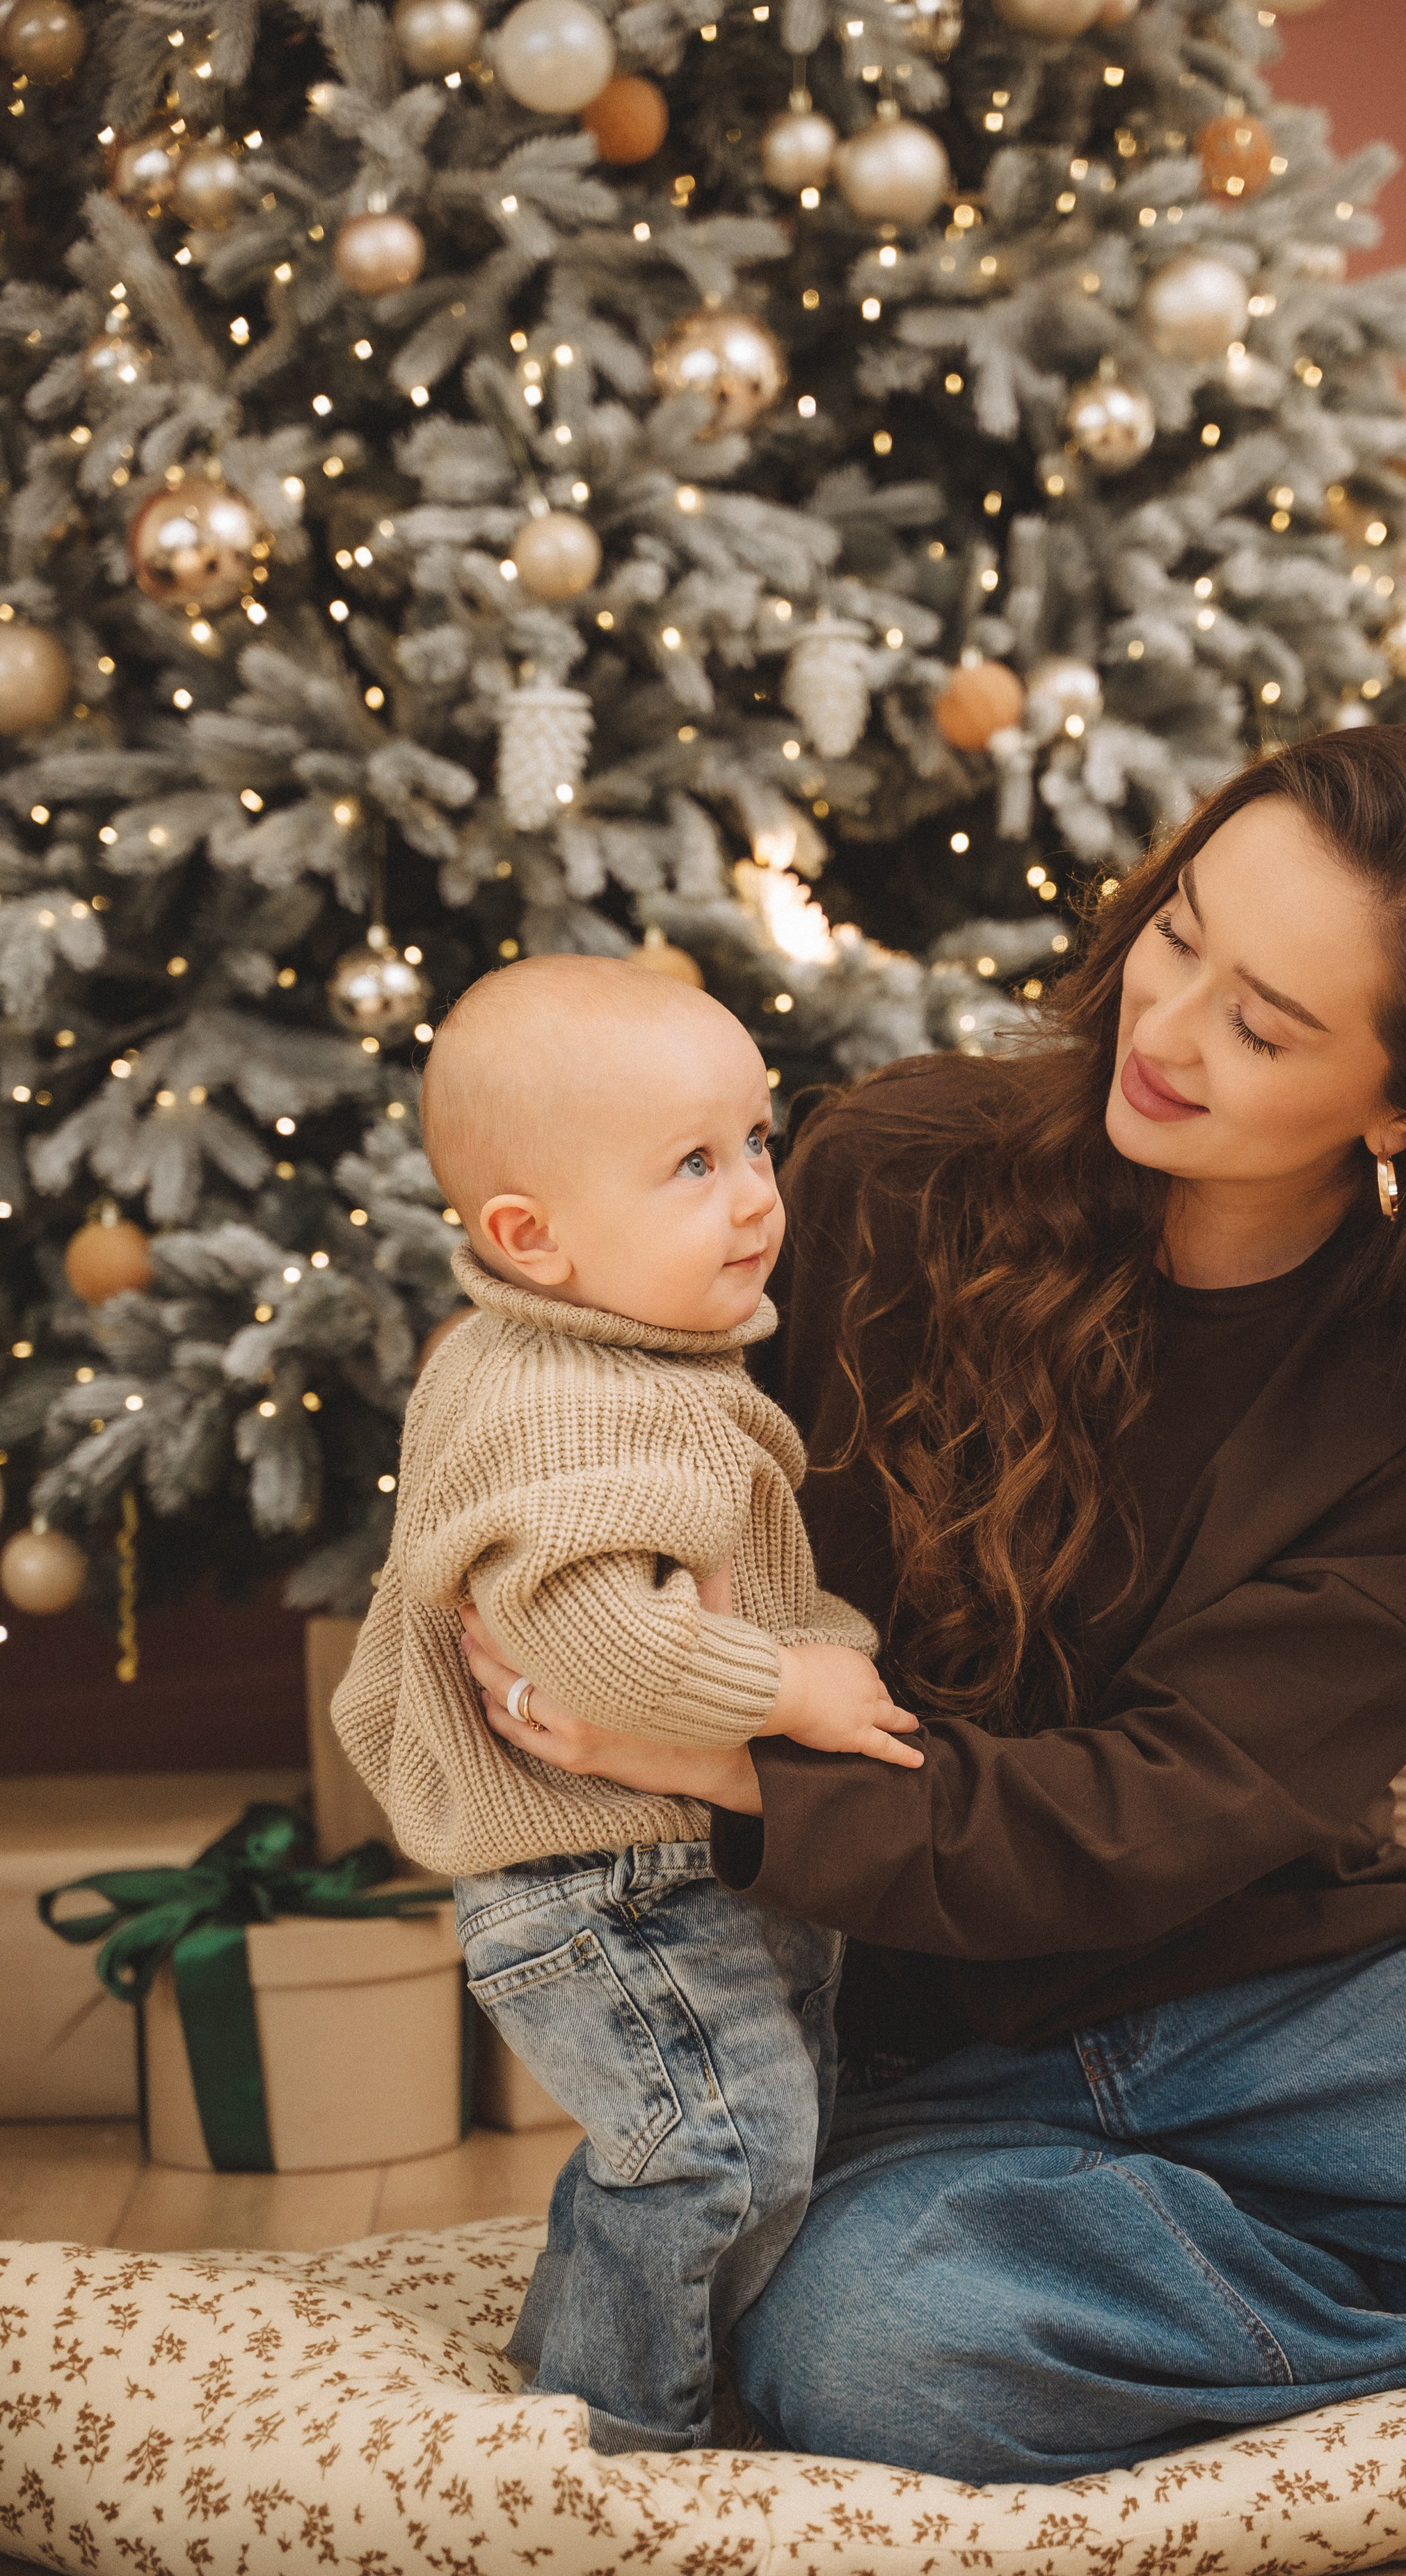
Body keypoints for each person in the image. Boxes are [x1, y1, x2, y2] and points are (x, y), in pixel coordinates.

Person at [464, 730, 1406, 2483]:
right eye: (1180, 935)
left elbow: (1161, 1808)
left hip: (1308, 2003)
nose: (1161, 1034)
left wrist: (739, 1773)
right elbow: (611, 1396)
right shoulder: (895, 1175)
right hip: (926, 2049)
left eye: (1266, 1026)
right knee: (887, 2357)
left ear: (1404, 1102)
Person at [332, 955, 916, 2455]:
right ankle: (618, 2450)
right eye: (690, 1165)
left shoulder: (598, 1348)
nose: (753, 1200)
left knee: (724, 2130)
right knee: (715, 2149)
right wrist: (787, 1681)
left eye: (756, 1142)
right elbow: (589, 1636)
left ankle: (585, 2364)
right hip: (600, 1885)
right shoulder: (571, 1400)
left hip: (656, 1861)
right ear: (530, 1239)